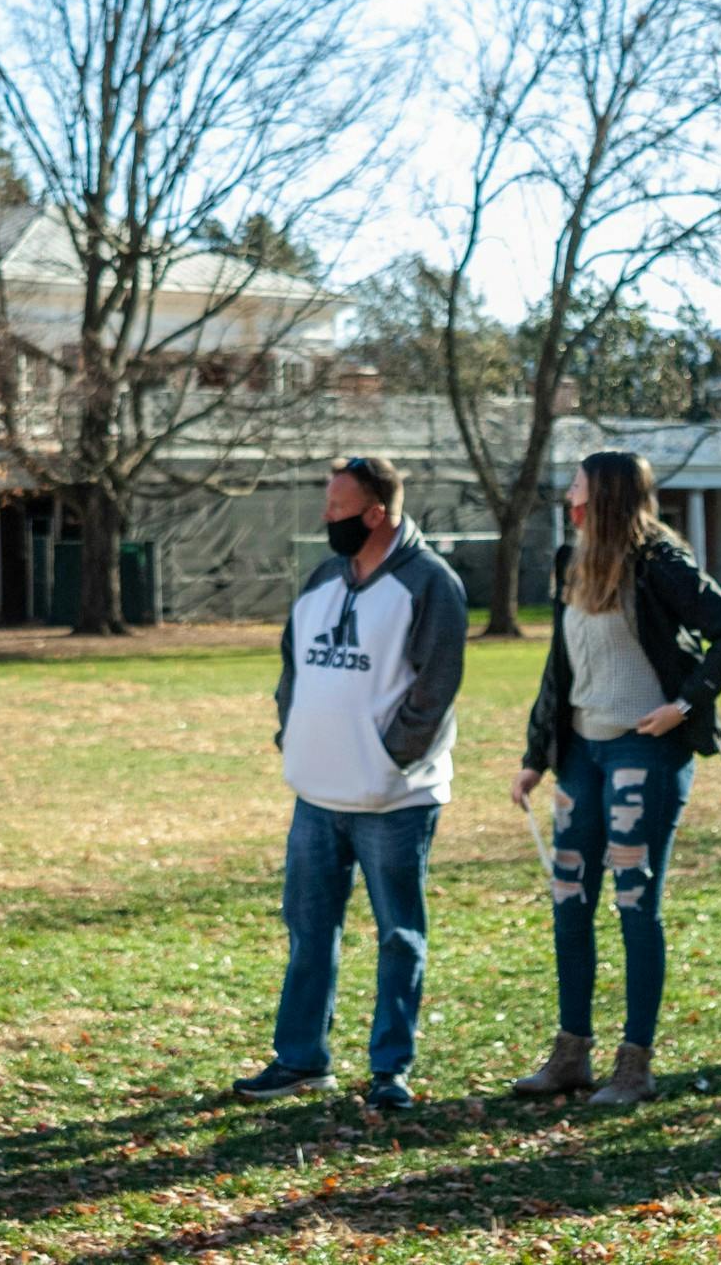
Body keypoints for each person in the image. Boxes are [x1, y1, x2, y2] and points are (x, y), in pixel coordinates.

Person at [509, 451, 721, 1105]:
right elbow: (560, 667)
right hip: (581, 755)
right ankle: (570, 1055)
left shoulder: (661, 564)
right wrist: (537, 754)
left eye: (579, 487)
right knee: (569, 900)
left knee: (634, 902)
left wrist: (686, 704)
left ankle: (634, 1066)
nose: (568, 497)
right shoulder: (571, 562)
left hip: (644, 753)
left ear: (608, 497)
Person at [235, 456, 466, 1112]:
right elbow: (293, 668)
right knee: (309, 932)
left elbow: (436, 689)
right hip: (316, 795)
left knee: (399, 935)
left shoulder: (430, 584)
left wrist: (388, 758)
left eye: (336, 510)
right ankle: (301, 1059)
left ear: (376, 514)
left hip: (395, 801)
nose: (325, 519)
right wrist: (295, 737)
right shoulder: (323, 578)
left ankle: (389, 1069)